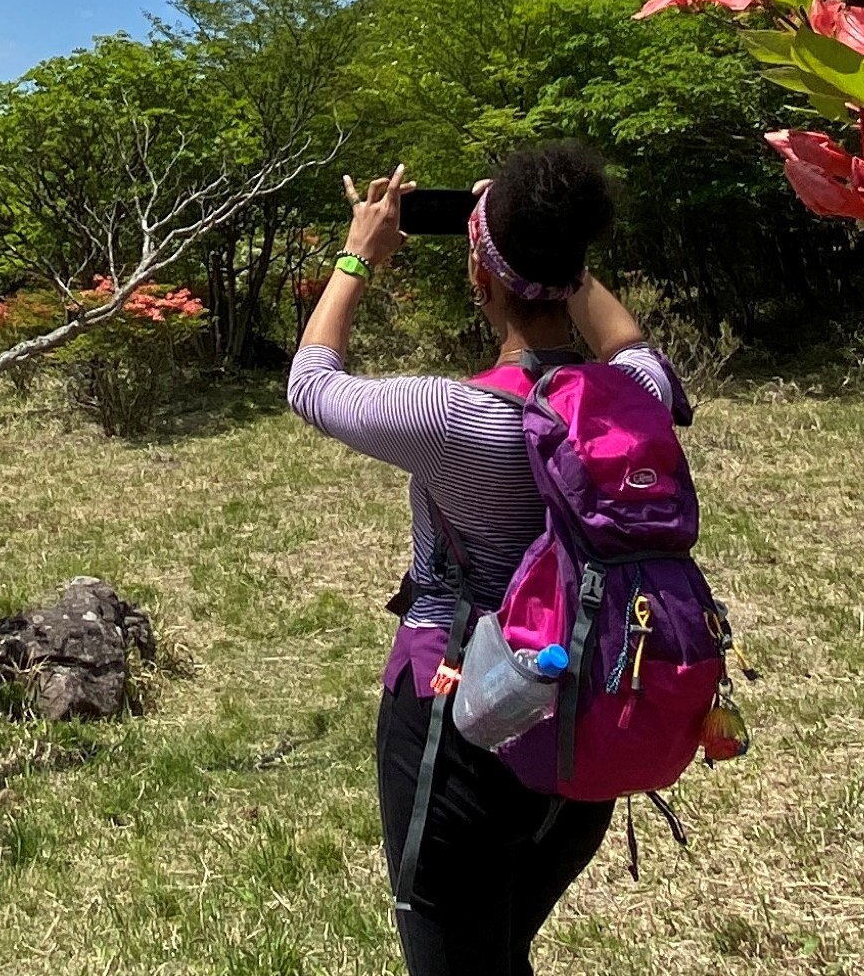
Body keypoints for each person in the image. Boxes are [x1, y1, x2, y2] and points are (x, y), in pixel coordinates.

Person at [288, 142, 686, 976]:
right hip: (590, 712)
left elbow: (312, 382)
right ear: (574, 270)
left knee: (454, 947)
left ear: (482, 277)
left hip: (464, 713)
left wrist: (359, 249)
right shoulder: (636, 398)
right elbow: (633, 345)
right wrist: (562, 263)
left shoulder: (449, 413)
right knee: (504, 943)